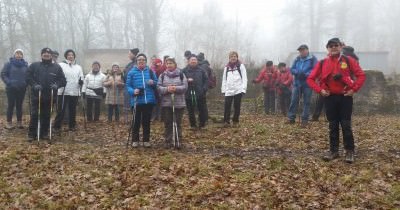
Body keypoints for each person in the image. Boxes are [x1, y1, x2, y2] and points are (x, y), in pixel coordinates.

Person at [307, 38, 365, 163]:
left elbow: (361, 75)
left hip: (345, 97)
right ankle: (333, 151)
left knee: (346, 124)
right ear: (327, 48)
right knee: (332, 125)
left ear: (340, 47)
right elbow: (310, 79)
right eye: (330, 46)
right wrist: (320, 91)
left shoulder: (349, 61)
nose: (333, 47)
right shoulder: (322, 63)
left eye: (336, 45)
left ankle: (349, 151)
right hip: (329, 98)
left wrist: (353, 89)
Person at [26, 47, 66, 140]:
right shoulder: (34, 65)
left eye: (48, 53)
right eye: (44, 53)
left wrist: (57, 85)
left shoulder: (57, 67)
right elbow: (28, 77)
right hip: (37, 95)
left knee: (47, 115)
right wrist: (34, 85)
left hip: (50, 96)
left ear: (51, 55)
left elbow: (63, 80)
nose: (46, 54)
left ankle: (44, 133)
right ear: (41, 55)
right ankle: (32, 134)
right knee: (36, 114)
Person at [126, 53, 158, 148]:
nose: (141, 61)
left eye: (143, 60)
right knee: (136, 121)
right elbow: (128, 86)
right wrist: (133, 91)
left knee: (146, 121)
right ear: (136, 61)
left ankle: (146, 140)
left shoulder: (151, 72)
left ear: (146, 61)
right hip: (136, 100)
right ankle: (135, 140)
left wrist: (153, 83)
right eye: (139, 60)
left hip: (148, 100)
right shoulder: (131, 72)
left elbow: (157, 83)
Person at [157, 57, 188, 148]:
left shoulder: (181, 74)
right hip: (166, 103)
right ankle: (168, 140)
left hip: (179, 103)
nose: (169, 65)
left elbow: (185, 87)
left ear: (175, 64)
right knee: (168, 123)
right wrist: (167, 89)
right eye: (167, 63)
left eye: (171, 63)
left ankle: (178, 140)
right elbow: (158, 87)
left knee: (177, 122)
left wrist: (176, 88)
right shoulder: (162, 75)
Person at [287, 44, 318, 127]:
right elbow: (291, 68)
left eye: (303, 50)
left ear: (307, 50)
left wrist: (306, 74)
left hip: (308, 83)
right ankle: (291, 118)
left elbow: (316, 69)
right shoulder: (297, 59)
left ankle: (305, 120)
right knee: (294, 101)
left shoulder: (313, 59)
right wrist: (297, 72)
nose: (302, 52)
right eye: (300, 50)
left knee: (306, 102)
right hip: (297, 83)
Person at [53, 49, 84, 132]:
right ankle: (57, 126)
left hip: (74, 91)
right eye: (69, 55)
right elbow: (57, 76)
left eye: (72, 55)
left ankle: (72, 125)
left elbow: (81, 77)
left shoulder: (78, 67)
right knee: (61, 109)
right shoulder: (61, 65)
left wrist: (81, 81)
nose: (70, 56)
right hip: (63, 91)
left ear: (74, 56)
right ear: (66, 56)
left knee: (73, 109)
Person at [1, 49, 28, 129]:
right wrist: (9, 82)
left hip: (21, 88)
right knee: (11, 105)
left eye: (20, 54)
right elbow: (3, 74)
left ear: (22, 55)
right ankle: (9, 122)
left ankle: (19, 122)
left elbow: (28, 75)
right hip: (11, 88)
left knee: (19, 105)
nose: (19, 55)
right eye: (17, 53)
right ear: (14, 54)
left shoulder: (25, 65)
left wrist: (25, 83)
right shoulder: (9, 64)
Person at [221, 51, 248, 127]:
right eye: (232, 56)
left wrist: (243, 89)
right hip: (228, 90)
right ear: (229, 58)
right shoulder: (226, 67)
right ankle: (226, 121)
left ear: (237, 57)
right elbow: (224, 79)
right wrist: (223, 90)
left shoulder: (241, 66)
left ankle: (235, 121)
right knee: (227, 106)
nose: (233, 58)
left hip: (238, 90)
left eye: (235, 56)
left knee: (237, 106)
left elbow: (245, 78)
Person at [182, 54, 208, 130]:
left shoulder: (202, 70)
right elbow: (180, 80)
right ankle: (193, 125)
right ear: (188, 61)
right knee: (190, 111)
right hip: (188, 93)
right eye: (191, 60)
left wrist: (204, 89)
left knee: (202, 110)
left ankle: (202, 125)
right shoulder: (184, 70)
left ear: (197, 61)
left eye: (195, 60)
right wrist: (186, 80)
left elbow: (206, 80)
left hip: (200, 93)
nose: (193, 61)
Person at [123, 48, 140, 124]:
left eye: (130, 54)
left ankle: (135, 120)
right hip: (128, 86)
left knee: (134, 104)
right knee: (127, 103)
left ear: (134, 54)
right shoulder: (129, 64)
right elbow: (125, 76)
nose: (128, 55)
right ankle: (128, 120)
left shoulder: (137, 64)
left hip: (134, 87)